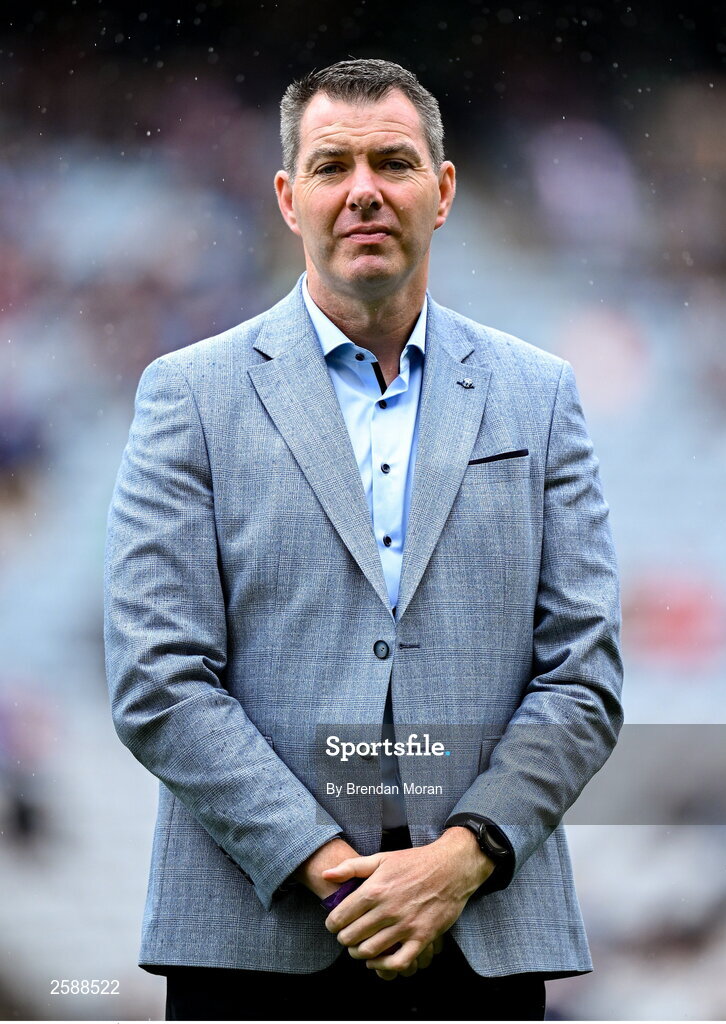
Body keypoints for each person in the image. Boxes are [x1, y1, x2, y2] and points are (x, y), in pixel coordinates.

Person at [103, 58, 623, 1021]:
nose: (364, 192)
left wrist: (457, 863)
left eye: (393, 161)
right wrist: (335, 871)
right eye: (333, 166)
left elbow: (583, 674)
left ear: (444, 188)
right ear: (287, 196)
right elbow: (157, 673)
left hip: (482, 930)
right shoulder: (189, 394)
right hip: (249, 942)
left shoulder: (539, 395)